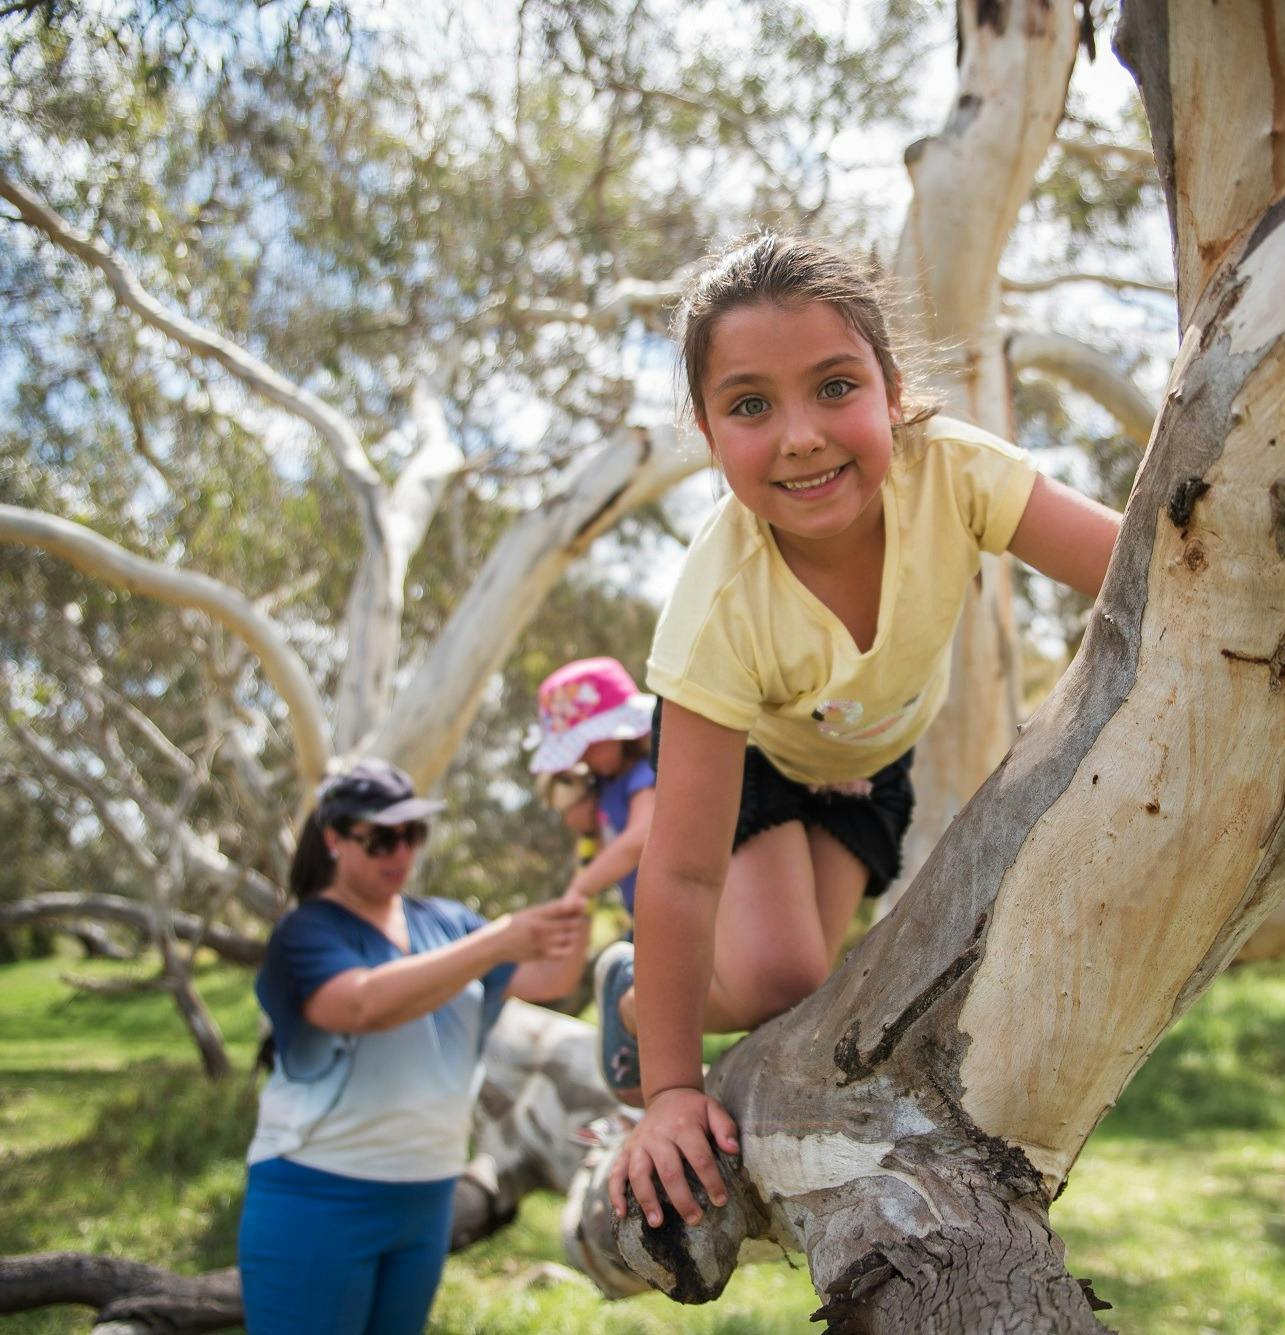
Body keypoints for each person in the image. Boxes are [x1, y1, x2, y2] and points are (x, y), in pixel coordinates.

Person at [605, 232, 1122, 1228]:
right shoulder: (721, 608)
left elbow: (1138, 563)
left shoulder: (954, 475)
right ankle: (643, 1015)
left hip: (866, 769)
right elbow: (679, 873)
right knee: (780, 976)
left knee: (820, 991)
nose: (799, 435)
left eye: (834, 386)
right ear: (708, 435)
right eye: (749, 405)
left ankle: (648, 1001)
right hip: (751, 760)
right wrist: (670, 1091)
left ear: (892, 388)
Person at [238, 758, 588, 1335]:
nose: (400, 853)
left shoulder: (448, 923)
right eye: (380, 837)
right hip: (320, 1195)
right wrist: (496, 940)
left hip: (426, 1196)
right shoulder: (306, 934)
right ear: (333, 838)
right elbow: (362, 1005)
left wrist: (588, 880)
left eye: (412, 834)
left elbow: (549, 980)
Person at [526, 657, 658, 1102]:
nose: (581, 757)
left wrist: (581, 888)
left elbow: (640, 837)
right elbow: (596, 830)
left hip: (673, 910)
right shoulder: (609, 784)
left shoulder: (644, 773)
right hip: (646, 917)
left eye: (585, 745)